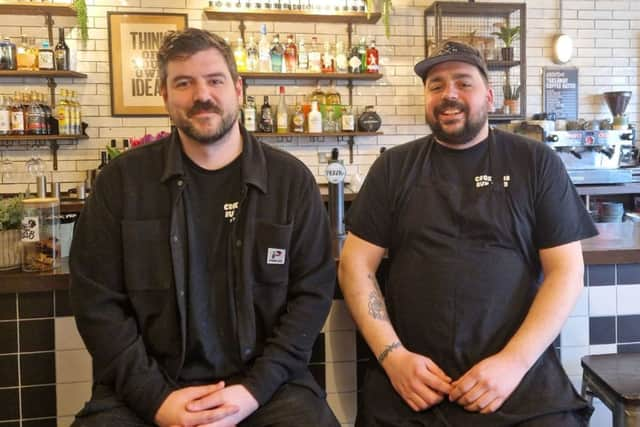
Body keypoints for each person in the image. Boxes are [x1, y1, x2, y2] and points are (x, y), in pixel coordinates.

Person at [69, 28, 339, 427]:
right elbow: (97, 302)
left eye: (215, 80)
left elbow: (311, 296)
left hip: (266, 389)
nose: (202, 95)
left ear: (238, 89)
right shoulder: (121, 182)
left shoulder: (291, 183)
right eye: (184, 83)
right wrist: (157, 401)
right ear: (164, 94)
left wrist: (251, 392)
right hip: (146, 389)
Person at [338, 41, 598, 427]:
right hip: (412, 382)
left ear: (490, 96)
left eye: (463, 83)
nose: (449, 95)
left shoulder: (535, 162)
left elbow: (567, 271)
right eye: (436, 85)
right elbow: (354, 265)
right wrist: (392, 357)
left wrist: (512, 364)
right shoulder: (393, 167)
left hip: (518, 380)